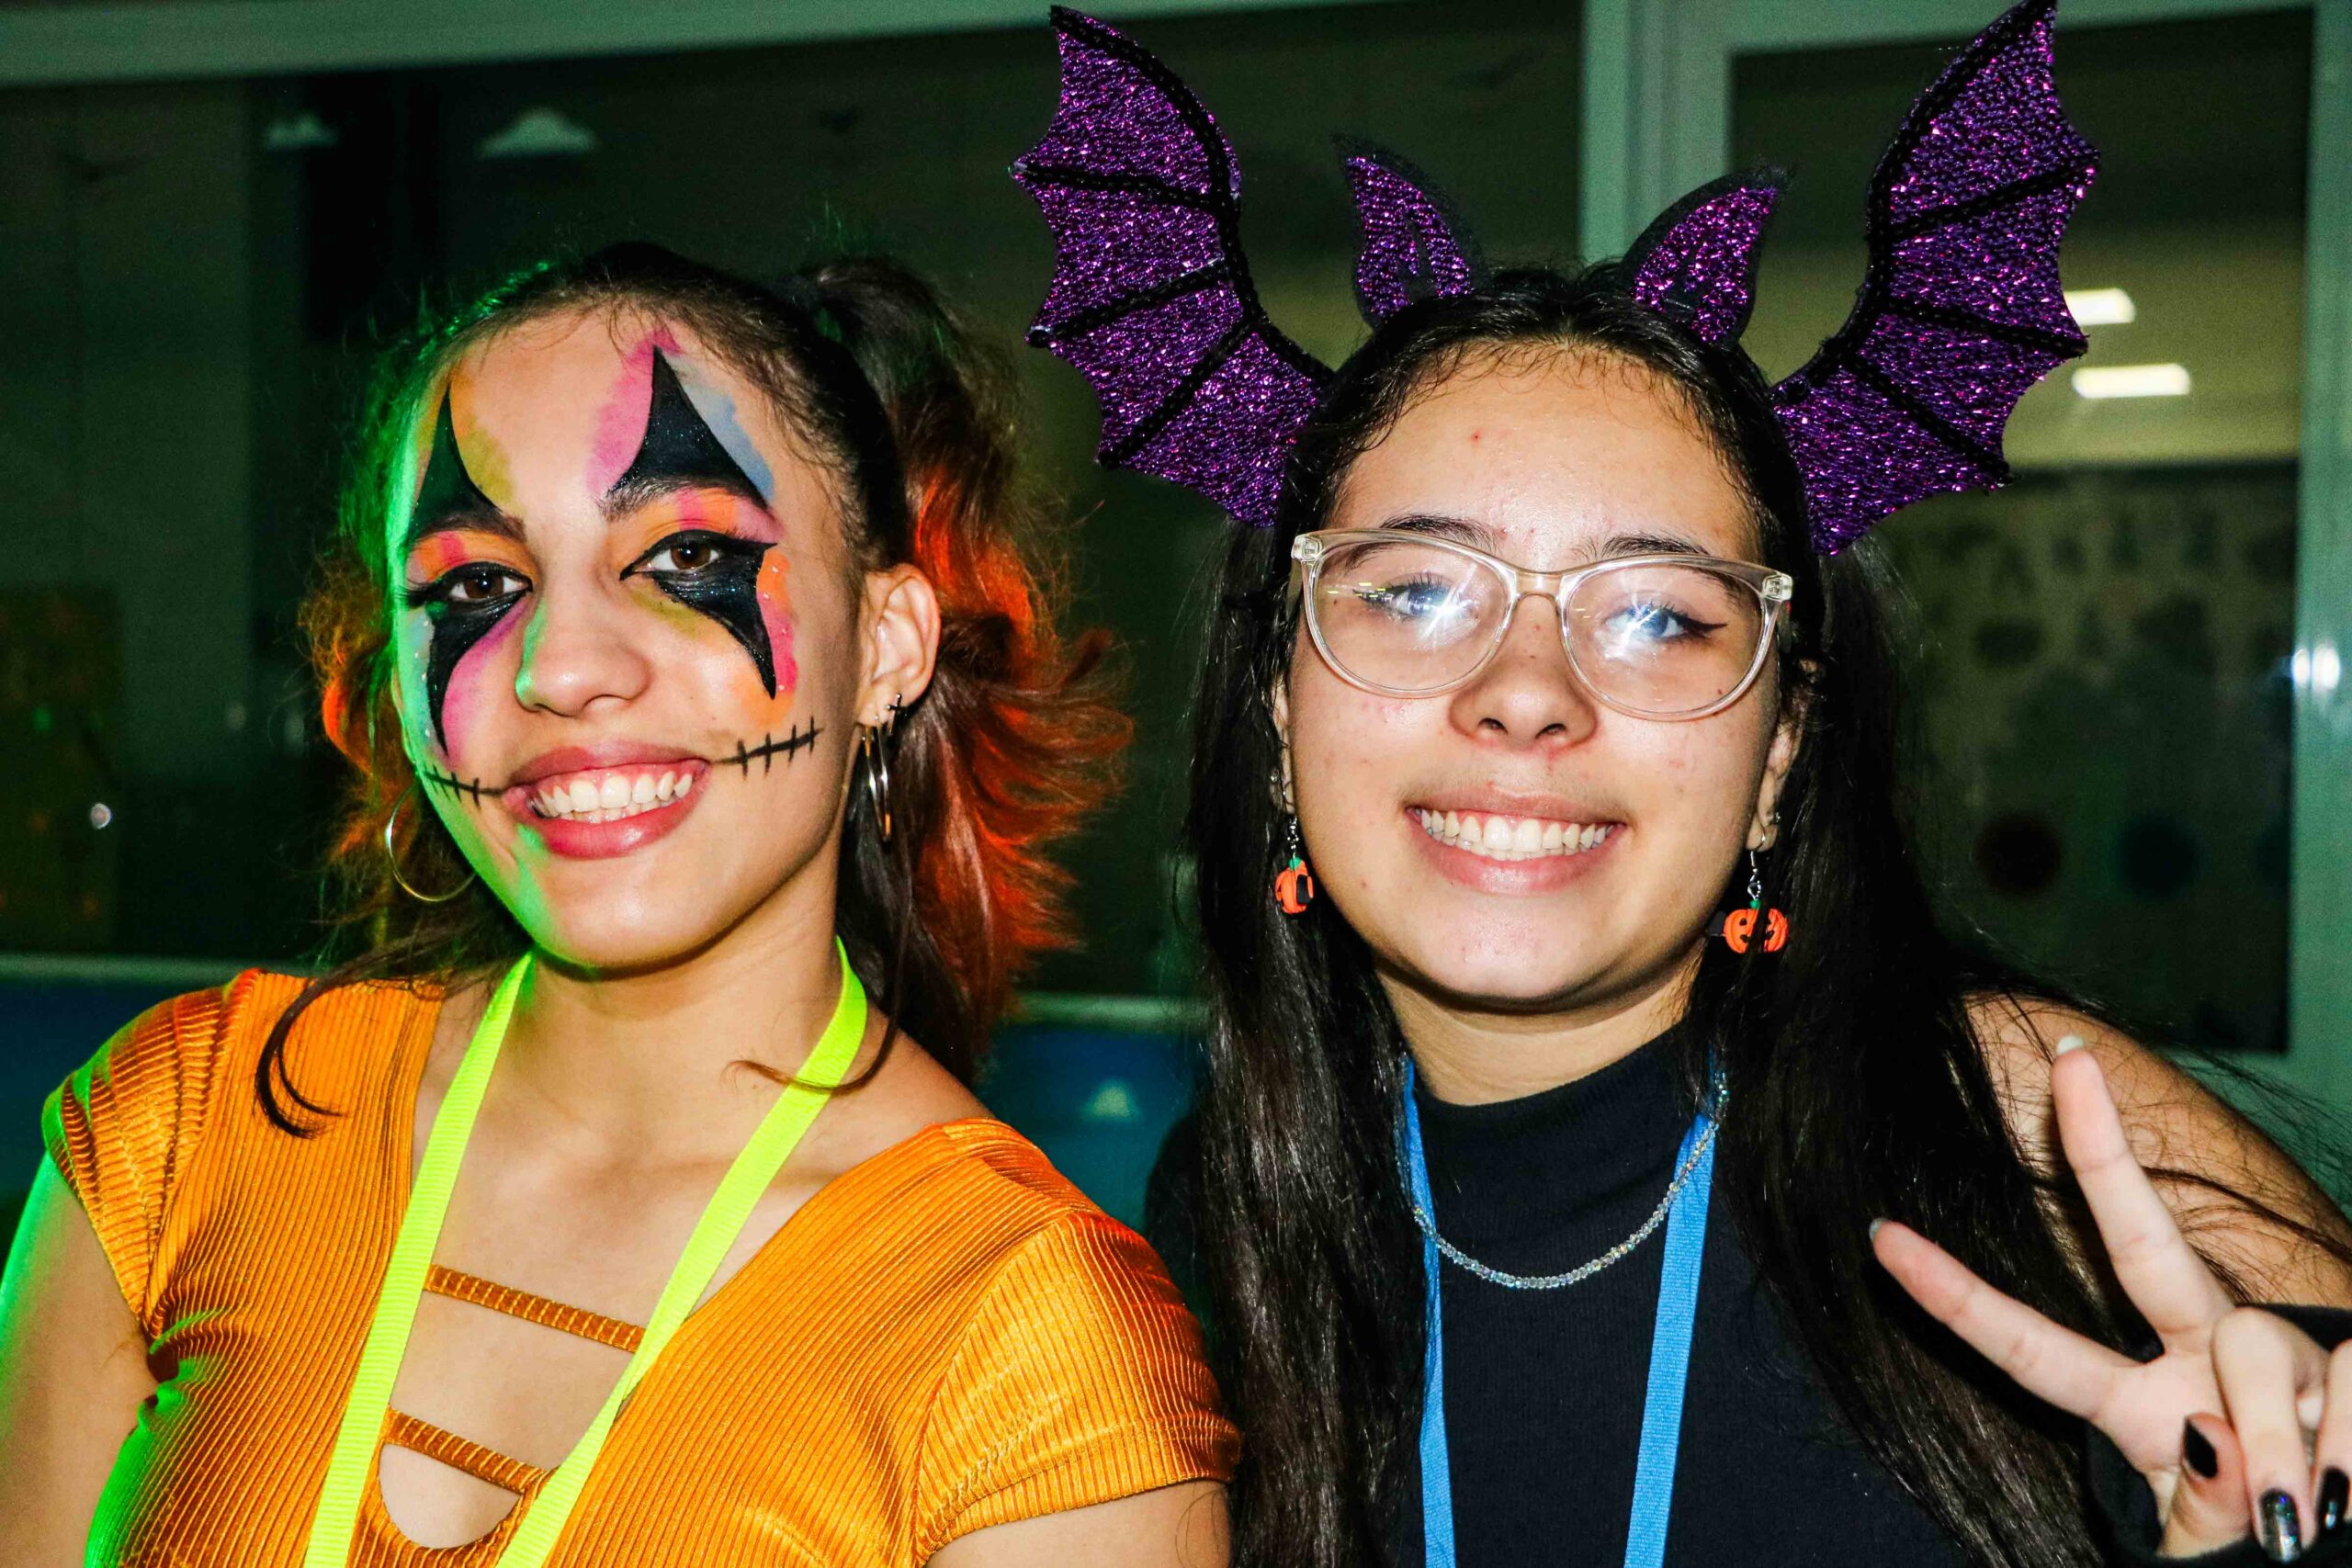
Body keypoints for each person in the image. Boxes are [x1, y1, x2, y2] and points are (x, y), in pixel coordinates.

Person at [1012, 5, 2352, 1564]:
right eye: (1417, 590)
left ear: (1778, 757)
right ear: (1279, 705)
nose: (1527, 690)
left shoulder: (2026, 1128)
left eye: (1657, 616)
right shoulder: (1231, 1207)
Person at [0, 243, 1234, 1566]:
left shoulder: (1032, 1346)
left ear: (887, 646)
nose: (562, 666)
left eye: (687, 553)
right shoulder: (185, 1131)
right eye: (477, 585)